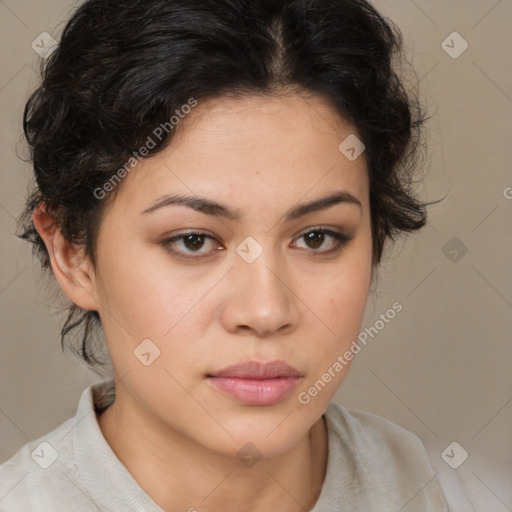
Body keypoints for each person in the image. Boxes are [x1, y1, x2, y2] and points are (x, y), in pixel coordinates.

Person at [0, 0, 455, 510]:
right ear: (72, 254)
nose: (265, 311)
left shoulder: (416, 480)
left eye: (317, 237)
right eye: (192, 240)